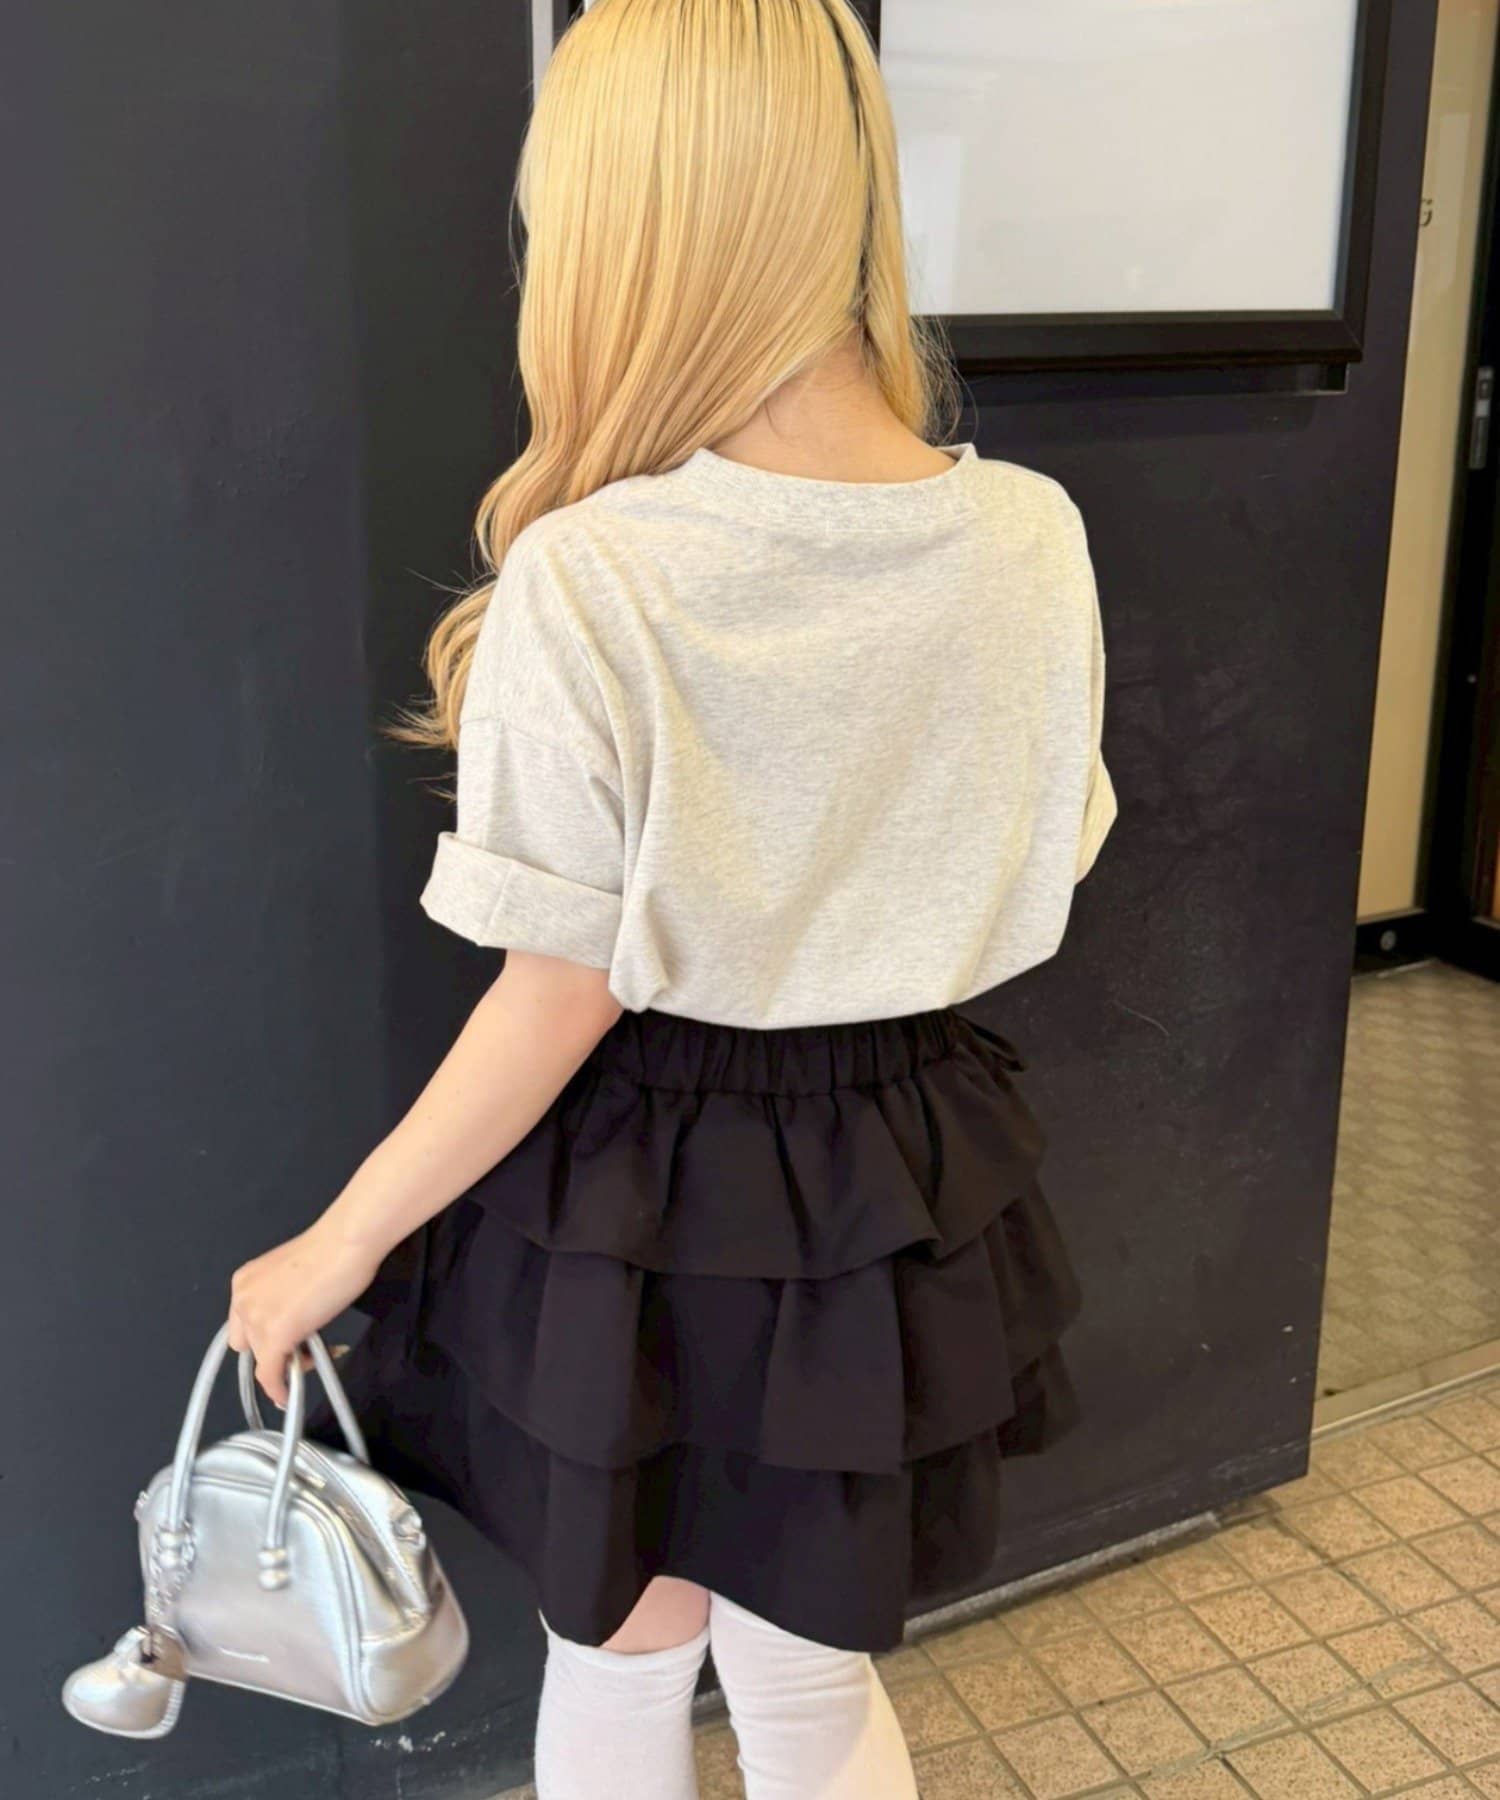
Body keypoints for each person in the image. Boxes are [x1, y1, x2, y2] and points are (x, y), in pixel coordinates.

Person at [224, 0, 1118, 1793]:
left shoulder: (596, 572)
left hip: (638, 1184)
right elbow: (1052, 853)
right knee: (810, 1674)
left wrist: (339, 1243)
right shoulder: (1029, 531)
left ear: (620, 222)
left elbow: (560, 993)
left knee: (625, 1663)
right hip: (895, 1172)